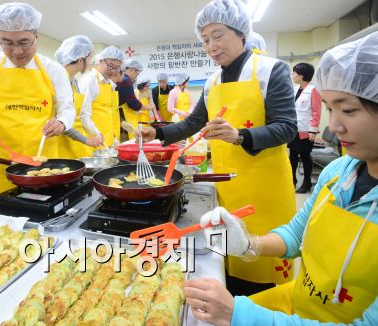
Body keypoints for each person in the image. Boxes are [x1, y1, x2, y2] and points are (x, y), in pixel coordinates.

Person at [184, 31, 378, 326]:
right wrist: (248, 244)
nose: (335, 125)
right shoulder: (338, 172)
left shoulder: (267, 72)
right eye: (329, 109)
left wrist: (240, 315)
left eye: (348, 110)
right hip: (299, 303)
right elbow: (296, 235)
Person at [140, 0, 298, 295]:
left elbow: (287, 127)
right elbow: (193, 123)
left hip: (265, 188)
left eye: (218, 35)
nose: (211, 45)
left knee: (262, 276)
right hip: (225, 184)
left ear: (241, 33)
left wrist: (240, 136)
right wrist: (157, 132)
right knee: (229, 263)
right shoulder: (212, 81)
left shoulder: (270, 70)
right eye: (205, 40)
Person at [0, 3, 75, 197]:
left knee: (47, 205)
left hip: (44, 157)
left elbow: (67, 107)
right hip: (4, 158)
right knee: (6, 211)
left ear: (36, 37)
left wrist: (62, 123)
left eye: (24, 42)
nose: (16, 51)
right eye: (7, 42)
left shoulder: (53, 69)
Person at [54, 35, 104, 158]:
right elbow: (59, 120)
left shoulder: (74, 81)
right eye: (90, 57)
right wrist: (86, 140)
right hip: (60, 144)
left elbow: (79, 115)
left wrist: (94, 132)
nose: (91, 62)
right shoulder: (58, 80)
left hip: (74, 143)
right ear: (81, 60)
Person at [79, 46, 124, 147]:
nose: (113, 71)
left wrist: (114, 138)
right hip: (94, 141)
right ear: (101, 61)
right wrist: (97, 135)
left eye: (117, 68)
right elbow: (83, 116)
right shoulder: (89, 81)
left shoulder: (110, 84)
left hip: (108, 141)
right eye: (111, 65)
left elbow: (110, 113)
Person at [289, 63, 322, 193]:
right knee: (292, 156)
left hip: (306, 131)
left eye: (294, 73)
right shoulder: (296, 89)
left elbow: (316, 112)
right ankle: (292, 181)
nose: (293, 75)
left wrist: (313, 130)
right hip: (294, 129)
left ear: (301, 75)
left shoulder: (313, 90)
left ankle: (307, 183)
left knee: (305, 156)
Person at [118, 59, 148, 141]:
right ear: (132, 70)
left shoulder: (122, 79)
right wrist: (147, 107)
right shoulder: (126, 80)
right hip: (122, 117)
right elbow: (133, 103)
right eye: (137, 74)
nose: (136, 77)